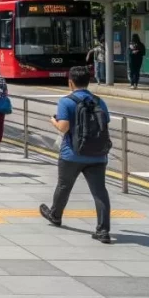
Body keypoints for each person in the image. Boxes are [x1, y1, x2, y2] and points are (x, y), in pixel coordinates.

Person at [40, 65, 112, 243]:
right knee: (100, 192)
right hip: (97, 154)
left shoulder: (66, 101)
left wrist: (53, 121)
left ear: (70, 82)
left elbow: (63, 127)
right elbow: (105, 124)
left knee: (64, 186)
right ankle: (103, 231)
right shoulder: (99, 101)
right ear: (88, 82)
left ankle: (55, 215)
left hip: (72, 154)